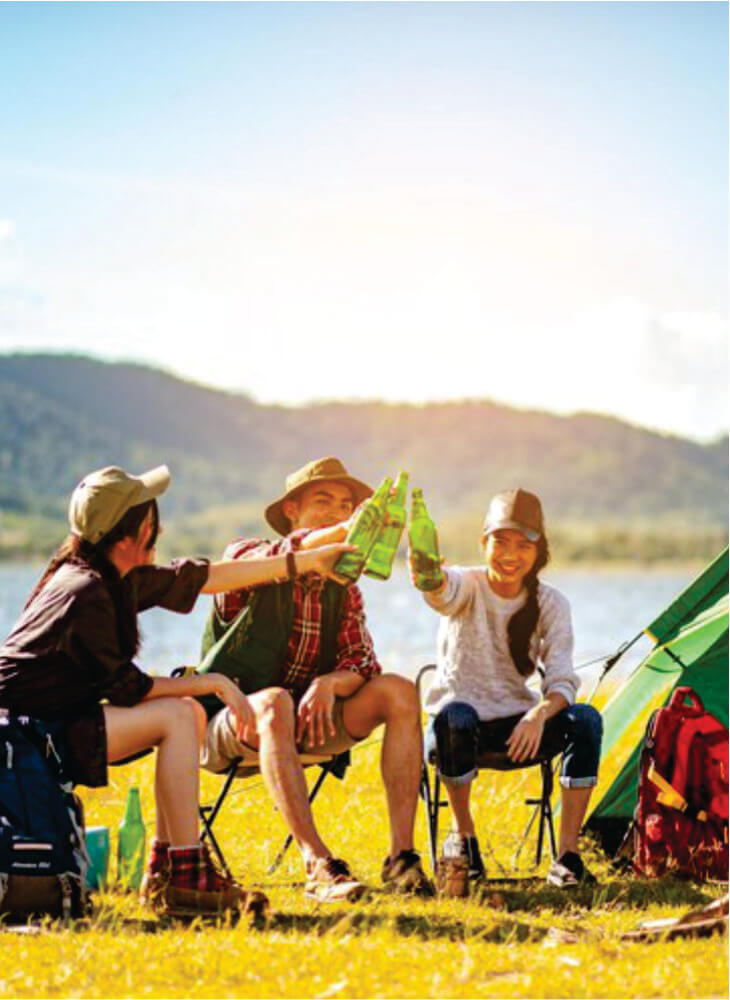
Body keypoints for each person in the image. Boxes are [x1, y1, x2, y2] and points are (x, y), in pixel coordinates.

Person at [0, 464, 352, 918]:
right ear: (134, 532)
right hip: (28, 739)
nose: (158, 526)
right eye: (151, 517)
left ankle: (168, 870)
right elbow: (128, 688)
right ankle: (183, 873)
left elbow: (207, 577)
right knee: (179, 715)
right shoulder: (85, 592)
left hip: (51, 724)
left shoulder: (110, 574)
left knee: (183, 712)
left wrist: (303, 562)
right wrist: (212, 681)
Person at [199, 456, 434, 903]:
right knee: (273, 703)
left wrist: (329, 682)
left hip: (306, 724)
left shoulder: (343, 588)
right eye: (322, 500)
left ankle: (401, 858)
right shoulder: (247, 556)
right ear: (291, 511)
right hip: (225, 725)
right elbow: (284, 553)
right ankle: (317, 863)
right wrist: (340, 538)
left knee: (399, 692)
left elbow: (362, 662)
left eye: (347, 506)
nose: (337, 511)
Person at [413, 487, 603, 888]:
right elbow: (441, 592)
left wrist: (537, 715)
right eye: (500, 542)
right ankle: (464, 839)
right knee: (454, 717)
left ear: (539, 552)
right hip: (456, 731)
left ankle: (567, 856)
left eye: (523, 544)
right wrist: (427, 575)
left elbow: (563, 679)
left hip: (518, 728)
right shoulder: (467, 583)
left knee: (585, 719)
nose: (510, 555)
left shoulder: (551, 603)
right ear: (484, 543)